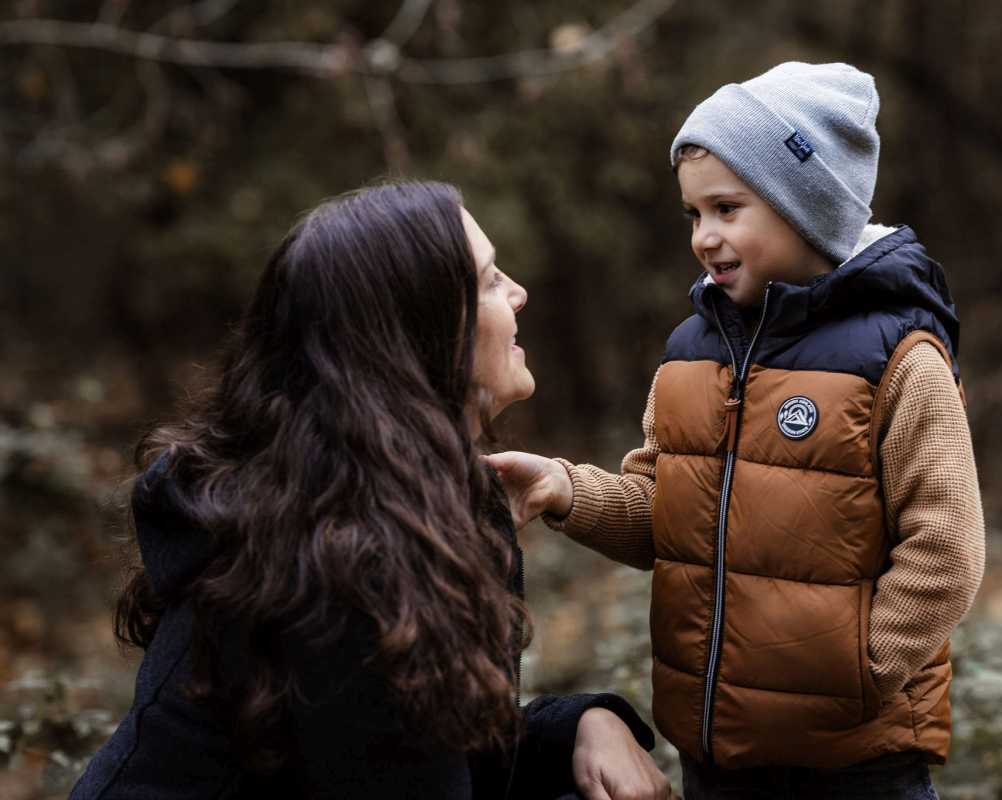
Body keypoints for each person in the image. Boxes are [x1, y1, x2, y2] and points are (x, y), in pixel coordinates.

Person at [70, 181, 674, 800]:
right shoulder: (337, 569)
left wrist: (581, 724)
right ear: (421, 334)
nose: (519, 294)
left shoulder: (416, 502)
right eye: (491, 280)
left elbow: (435, 753)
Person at [488, 63, 986, 798]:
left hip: (854, 767)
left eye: (726, 208)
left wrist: (855, 668)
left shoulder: (900, 360)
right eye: (693, 215)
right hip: (716, 759)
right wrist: (567, 490)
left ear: (806, 205)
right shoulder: (692, 355)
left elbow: (947, 549)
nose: (703, 236)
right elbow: (666, 515)